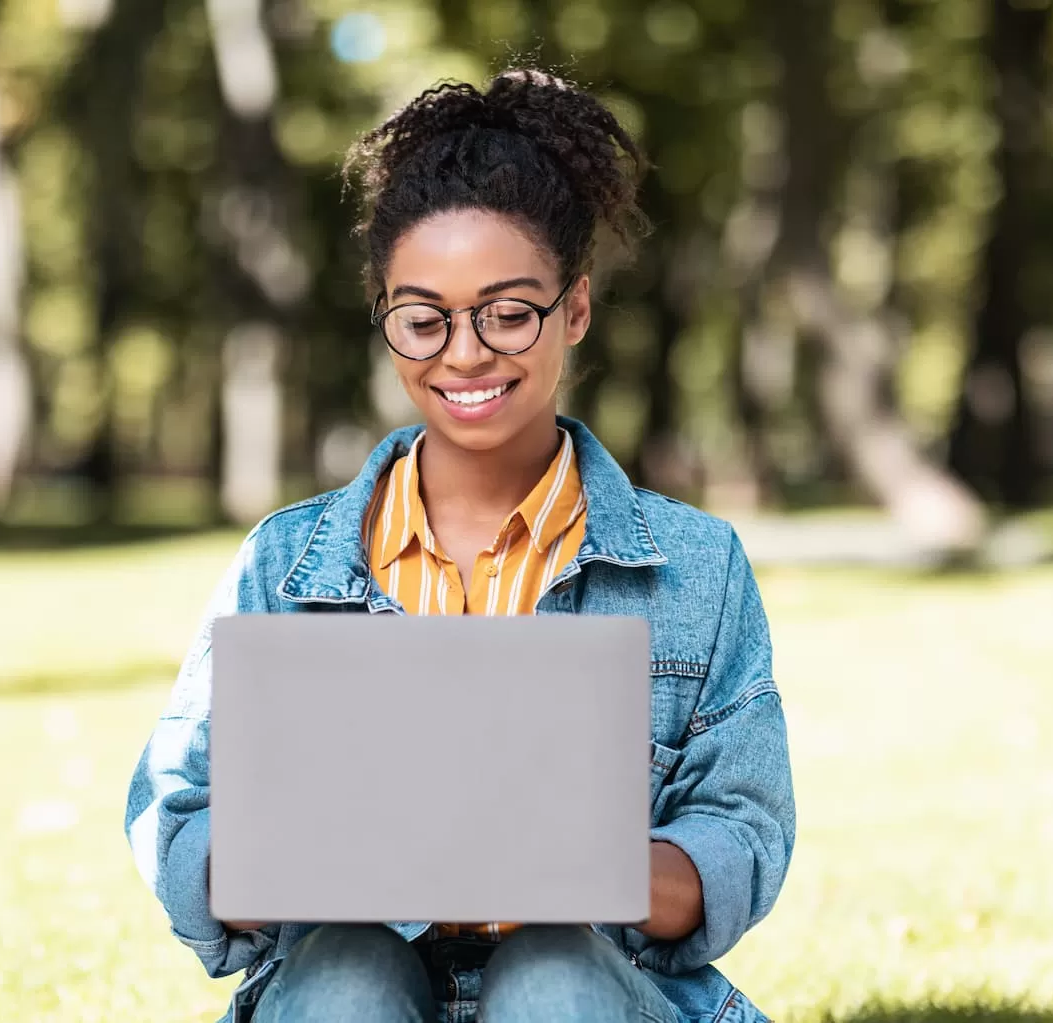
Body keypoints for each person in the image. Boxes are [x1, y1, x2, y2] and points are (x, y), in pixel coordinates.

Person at [125, 68, 795, 1023]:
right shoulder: (284, 562)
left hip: (593, 990)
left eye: (509, 311)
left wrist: (578, 869)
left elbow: (743, 829)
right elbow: (176, 810)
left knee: (548, 974)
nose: (466, 352)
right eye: (423, 318)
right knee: (348, 972)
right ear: (385, 320)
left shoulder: (696, 568)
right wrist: (287, 856)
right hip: (340, 987)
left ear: (575, 309)